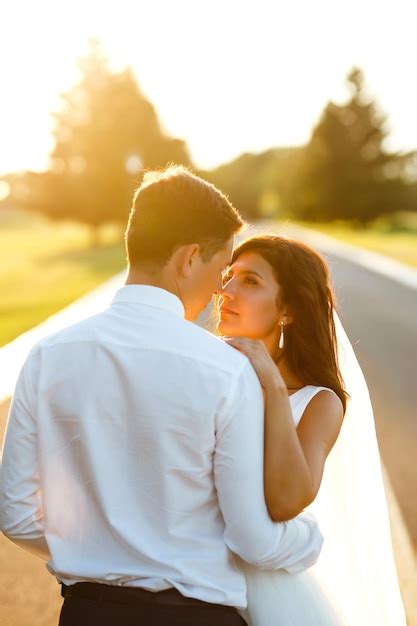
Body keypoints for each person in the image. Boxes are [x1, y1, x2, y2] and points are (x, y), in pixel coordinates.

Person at [0, 167, 323, 626]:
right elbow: (253, 539)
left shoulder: (47, 354)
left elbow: (15, 515)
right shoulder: (228, 371)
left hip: (86, 615)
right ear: (190, 258)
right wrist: (312, 539)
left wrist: (95, 548)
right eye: (220, 269)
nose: (220, 289)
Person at [218, 234, 407, 626]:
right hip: (196, 583)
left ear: (287, 310)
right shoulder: (208, 373)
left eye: (249, 281)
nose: (227, 291)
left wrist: (271, 383)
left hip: (269, 598)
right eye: (228, 276)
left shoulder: (319, 403)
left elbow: (286, 500)